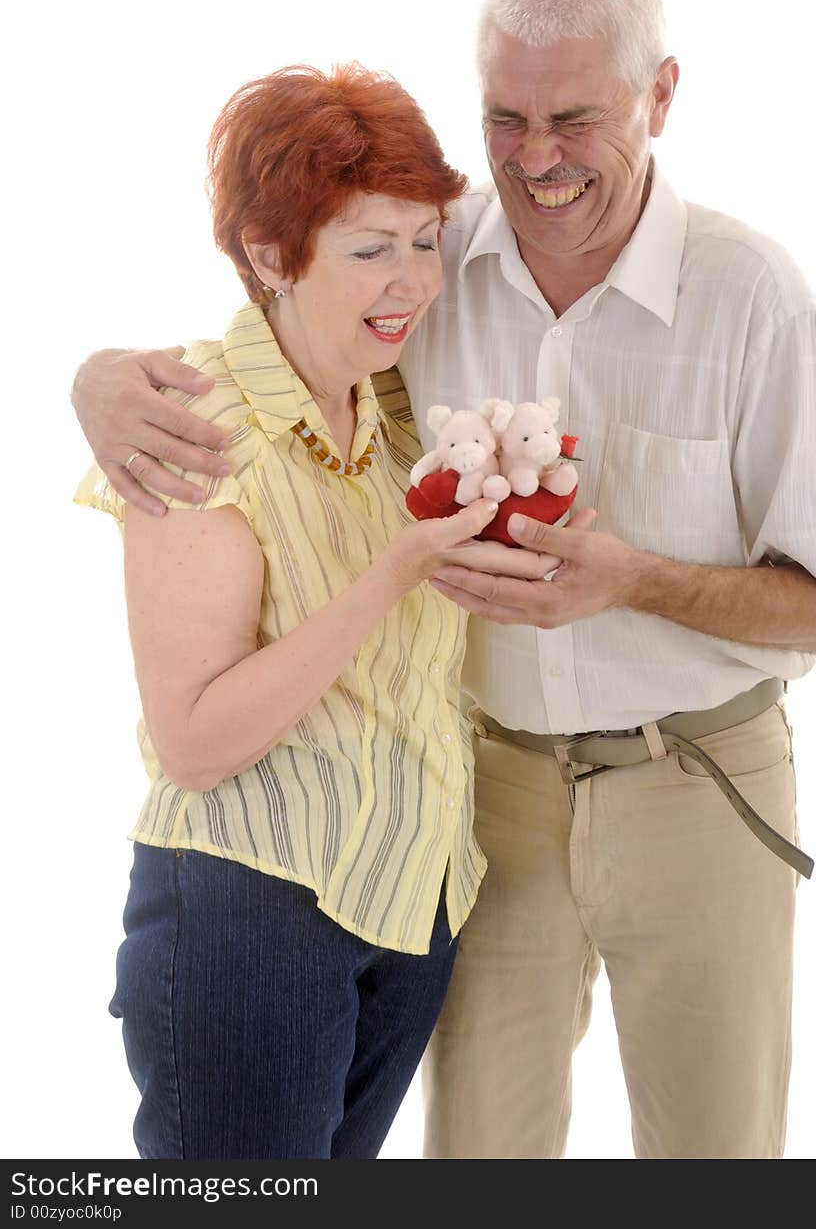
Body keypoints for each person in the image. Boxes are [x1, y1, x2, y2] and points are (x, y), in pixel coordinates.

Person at [72, 0, 816, 1160]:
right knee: (478, 1158)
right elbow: (284, 275)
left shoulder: (756, 299)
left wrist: (634, 582)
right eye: (506, 116)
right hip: (478, 809)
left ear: (660, 98)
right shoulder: (427, 253)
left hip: (690, 785)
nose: (537, 159)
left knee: (718, 1157)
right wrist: (92, 377)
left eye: (576, 118)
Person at [73, 61, 549, 1160]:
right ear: (270, 257)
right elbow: (194, 741)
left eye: (424, 241)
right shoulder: (196, 426)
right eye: (369, 250)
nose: (412, 280)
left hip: (410, 903)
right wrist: (393, 571)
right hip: (252, 919)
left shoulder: (400, 405)